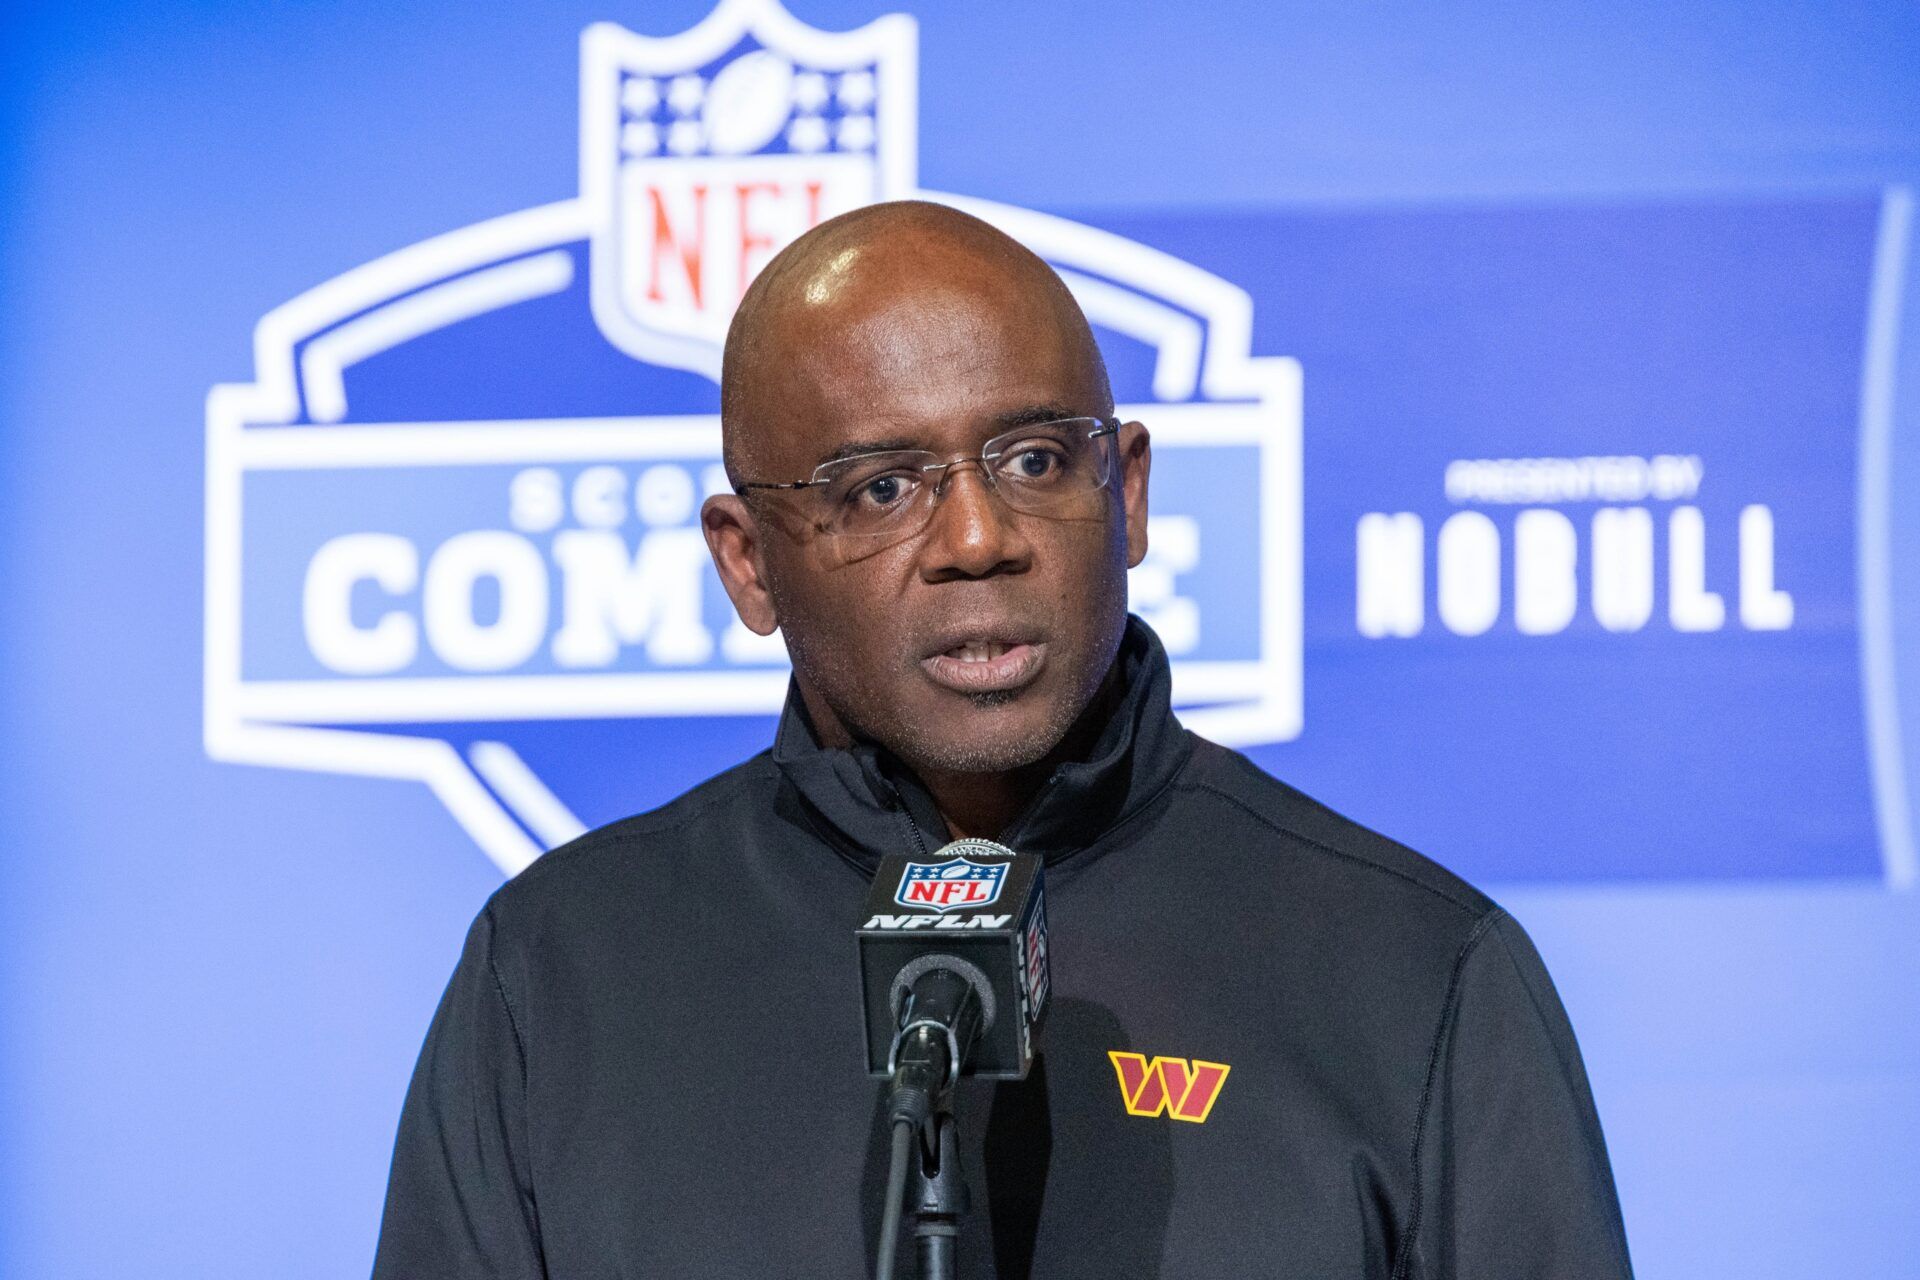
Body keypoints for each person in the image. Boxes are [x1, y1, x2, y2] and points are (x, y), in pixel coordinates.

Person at [371, 201, 1634, 1278]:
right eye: (879, 486)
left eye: (1034, 457)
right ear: (748, 565)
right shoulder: (559, 973)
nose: (978, 536)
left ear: (1126, 493)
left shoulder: (1413, 970)